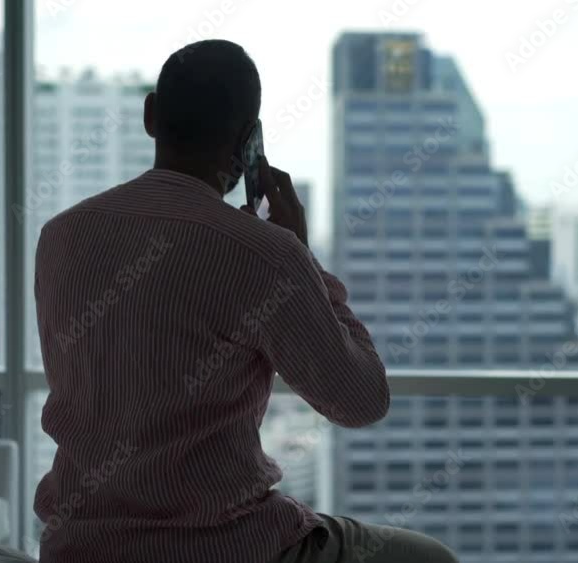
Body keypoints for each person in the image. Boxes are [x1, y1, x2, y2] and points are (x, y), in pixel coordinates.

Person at [32, 39, 459, 563]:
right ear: (248, 142)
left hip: (79, 548)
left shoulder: (61, 237)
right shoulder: (264, 253)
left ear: (150, 116)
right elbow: (362, 401)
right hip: (227, 546)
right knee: (427, 558)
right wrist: (305, 260)